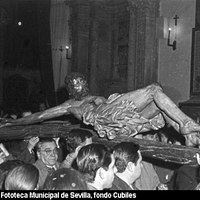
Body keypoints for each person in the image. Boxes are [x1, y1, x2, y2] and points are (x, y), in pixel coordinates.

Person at [0, 72, 200, 147]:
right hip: (107, 116)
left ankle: (188, 136)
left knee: (160, 107)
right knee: (154, 90)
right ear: (71, 88)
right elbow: (40, 115)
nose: (82, 84)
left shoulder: (93, 97)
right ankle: (186, 124)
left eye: (83, 80)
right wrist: (13, 122)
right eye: (77, 83)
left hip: (120, 117)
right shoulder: (71, 105)